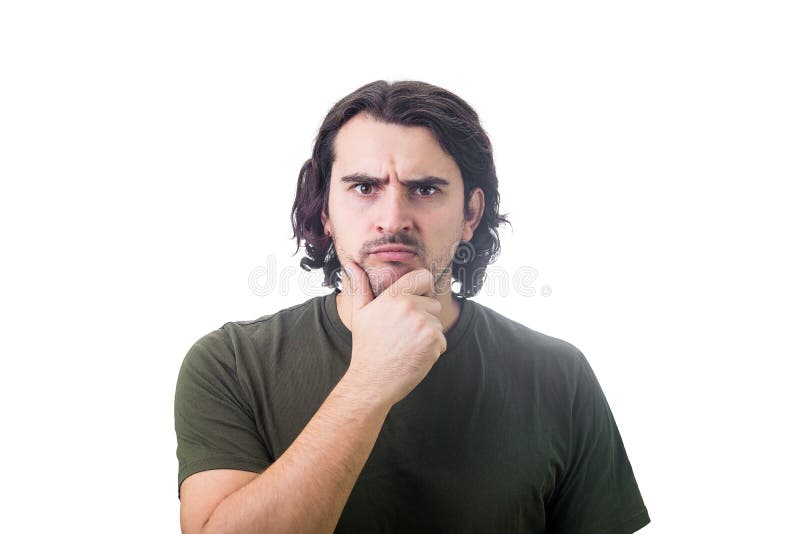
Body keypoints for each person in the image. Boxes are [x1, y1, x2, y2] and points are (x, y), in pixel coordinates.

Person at [174, 80, 651, 533]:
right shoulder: (229, 364)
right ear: (325, 211)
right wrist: (368, 383)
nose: (393, 218)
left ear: (470, 214)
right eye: (364, 188)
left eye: (424, 189)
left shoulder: (560, 375)